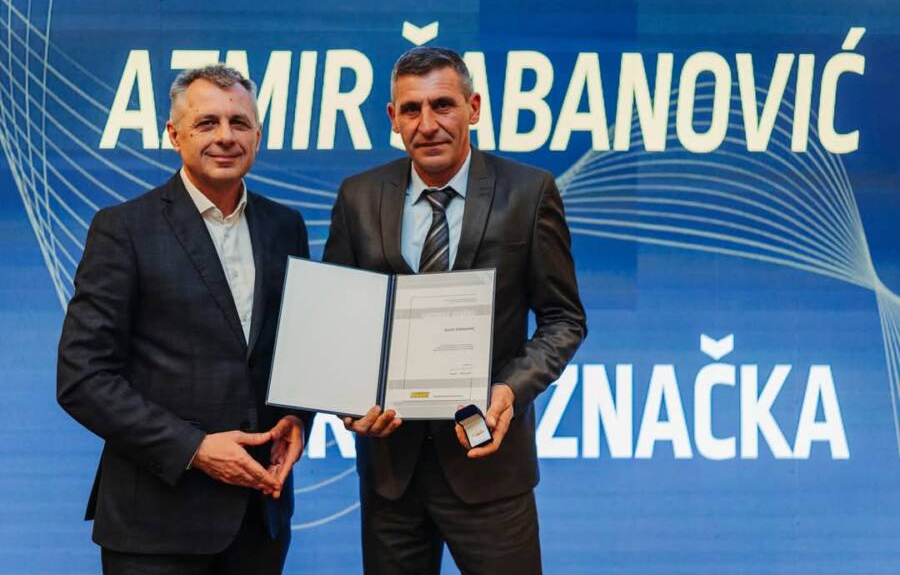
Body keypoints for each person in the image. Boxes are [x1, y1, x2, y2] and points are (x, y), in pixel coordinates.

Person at [323, 47, 587, 575]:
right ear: (393, 118)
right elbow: (336, 322)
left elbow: (563, 319)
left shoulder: (529, 192)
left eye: (442, 105)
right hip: (390, 476)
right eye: (412, 109)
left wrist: (509, 390)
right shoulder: (358, 196)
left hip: (490, 467)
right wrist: (348, 400)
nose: (428, 124)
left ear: (474, 108)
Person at [57, 64, 313, 575]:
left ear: (258, 136)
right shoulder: (123, 229)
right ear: (174, 135)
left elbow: (295, 347)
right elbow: (83, 378)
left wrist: (297, 418)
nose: (226, 137)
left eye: (239, 123)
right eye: (207, 123)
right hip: (155, 525)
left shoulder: (285, 226)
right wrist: (194, 448)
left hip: (258, 521)